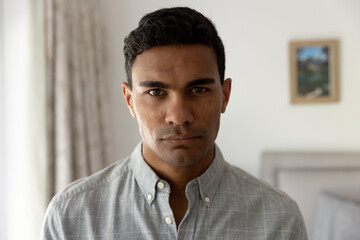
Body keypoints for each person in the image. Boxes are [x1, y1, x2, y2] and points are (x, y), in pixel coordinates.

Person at [41, 7, 307, 239]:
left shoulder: (279, 218)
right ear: (130, 100)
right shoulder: (72, 216)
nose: (179, 116)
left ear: (224, 95)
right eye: (156, 92)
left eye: (198, 90)